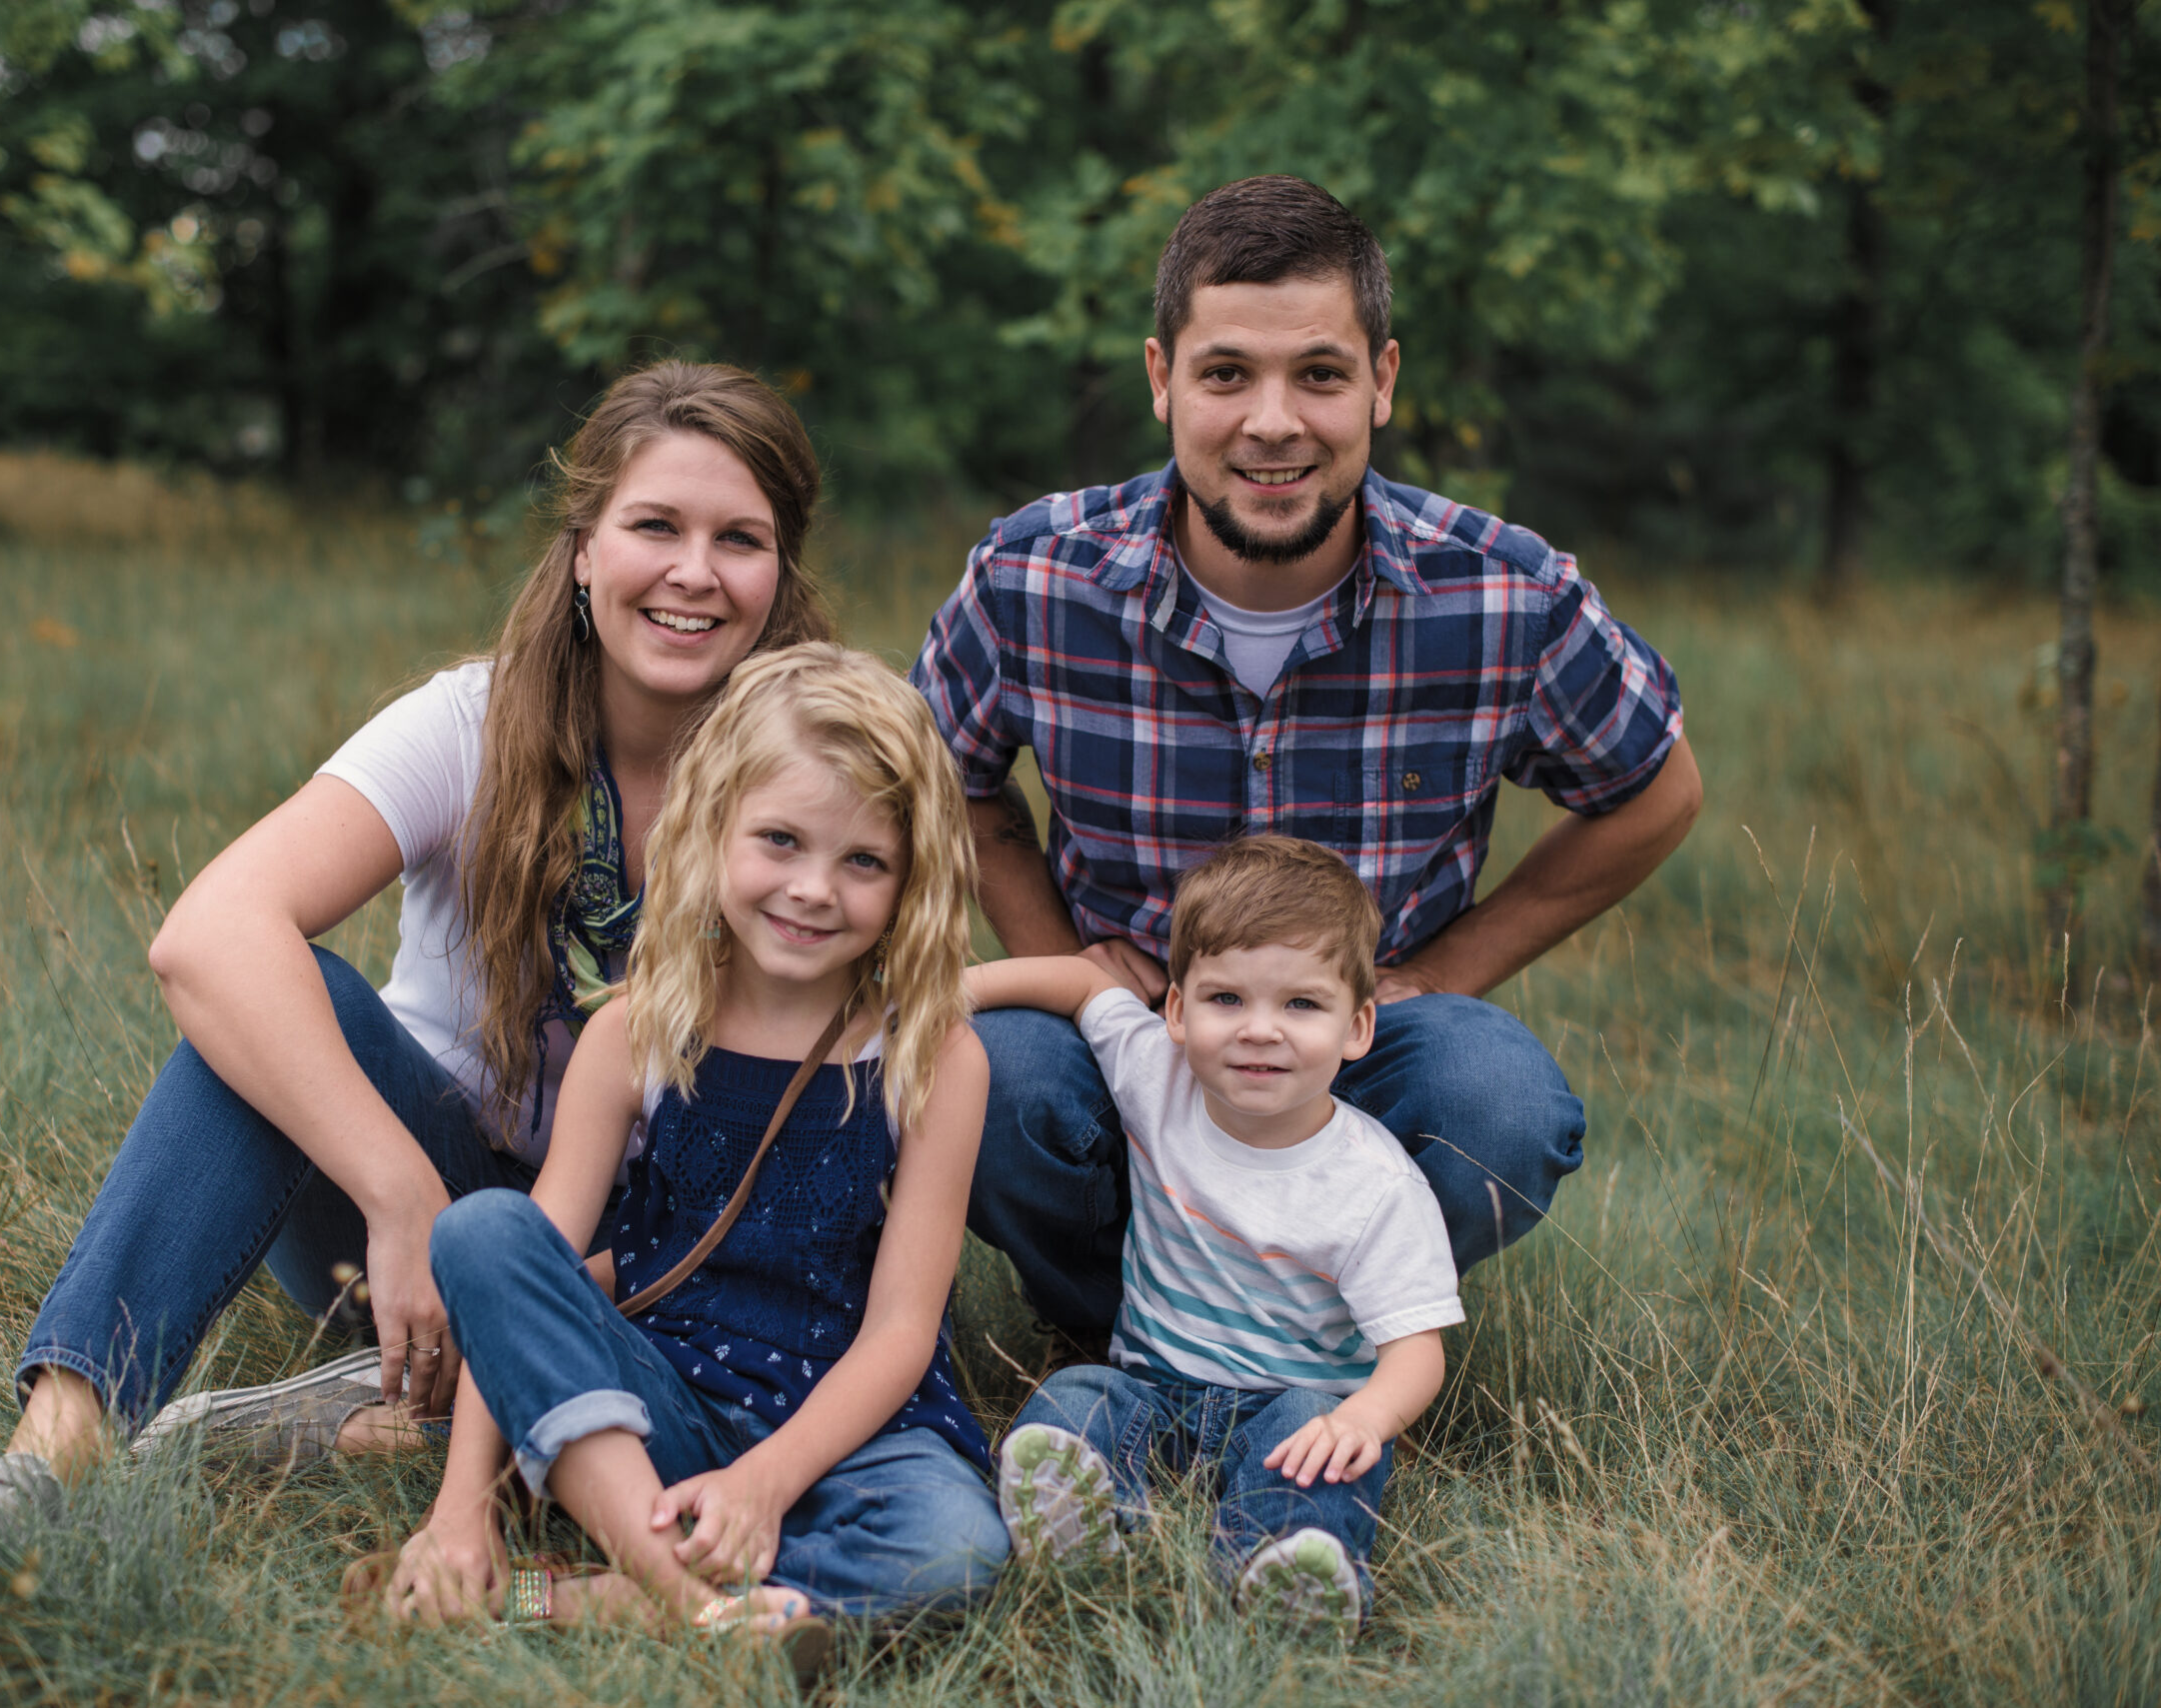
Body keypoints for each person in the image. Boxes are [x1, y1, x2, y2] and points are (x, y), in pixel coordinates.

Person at [0, 361, 838, 1582]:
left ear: (781, 574)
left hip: (673, 1258)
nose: (693, 572)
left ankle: (365, 1415)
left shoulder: (813, 776)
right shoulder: (472, 724)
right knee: (272, 995)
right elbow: (206, 932)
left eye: (740, 538)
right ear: (581, 550)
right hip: (412, 1208)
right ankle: (45, 1464)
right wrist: (403, 1192)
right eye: (654, 526)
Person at [911, 175, 1702, 1346]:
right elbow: (936, 778)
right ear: (1160, 379)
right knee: (994, 1077)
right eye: (1226, 372)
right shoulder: (1035, 575)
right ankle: (1120, 1332)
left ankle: (1320, 1334)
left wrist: (1437, 972)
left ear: (1380, 382)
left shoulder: (1501, 591)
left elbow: (1656, 792)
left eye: (1319, 374)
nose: (1271, 421)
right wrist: (1073, 973)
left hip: (1347, 1056)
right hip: (1116, 1051)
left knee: (1499, 1102)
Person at [378, 644, 1005, 1672]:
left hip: (845, 1423)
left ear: (912, 878)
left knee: (953, 1552)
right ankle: (685, 1590)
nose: (812, 888)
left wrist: (764, 1480)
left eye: (862, 861)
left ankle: (579, 1596)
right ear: (713, 830)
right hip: (656, 1399)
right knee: (480, 1229)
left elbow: (901, 1330)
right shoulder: (638, 1029)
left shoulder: (934, 1054)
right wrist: (458, 1515)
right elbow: (525, 1268)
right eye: (780, 840)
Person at [969, 837, 1460, 1639]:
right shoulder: (1156, 1076)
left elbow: (1417, 1350)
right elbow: (1084, 981)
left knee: (1326, 1466)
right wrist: (955, 989)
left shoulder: (1376, 1184)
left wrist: (1362, 1420)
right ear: (1176, 1011)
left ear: (1358, 1025)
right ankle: (1085, 1526)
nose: (1259, 1030)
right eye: (1226, 999)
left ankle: (1285, 1569)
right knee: (1074, 1400)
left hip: (1292, 1406)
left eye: (1301, 1005)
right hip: (1151, 1382)